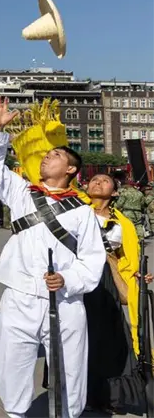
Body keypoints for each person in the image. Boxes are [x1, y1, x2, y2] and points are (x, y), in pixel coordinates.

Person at [0, 97, 104, 418]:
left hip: (64, 299)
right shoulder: (21, 192)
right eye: (47, 154)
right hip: (19, 295)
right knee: (12, 363)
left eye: (56, 154)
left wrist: (68, 279)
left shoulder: (83, 211)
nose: (47, 157)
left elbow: (92, 259)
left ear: (72, 169)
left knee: (70, 369)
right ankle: (16, 413)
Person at [83, 174, 148, 414]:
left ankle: (107, 395)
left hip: (105, 282)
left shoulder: (124, 224)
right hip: (74, 281)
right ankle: (77, 392)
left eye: (105, 181)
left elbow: (128, 258)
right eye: (94, 179)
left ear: (115, 193)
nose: (98, 182)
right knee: (77, 338)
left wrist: (137, 277)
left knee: (106, 340)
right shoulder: (74, 213)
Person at [114, 170, 148, 240]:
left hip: (127, 212)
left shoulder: (124, 193)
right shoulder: (139, 193)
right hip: (138, 212)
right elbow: (142, 204)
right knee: (139, 225)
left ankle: (130, 239)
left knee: (128, 226)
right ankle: (141, 239)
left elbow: (119, 204)